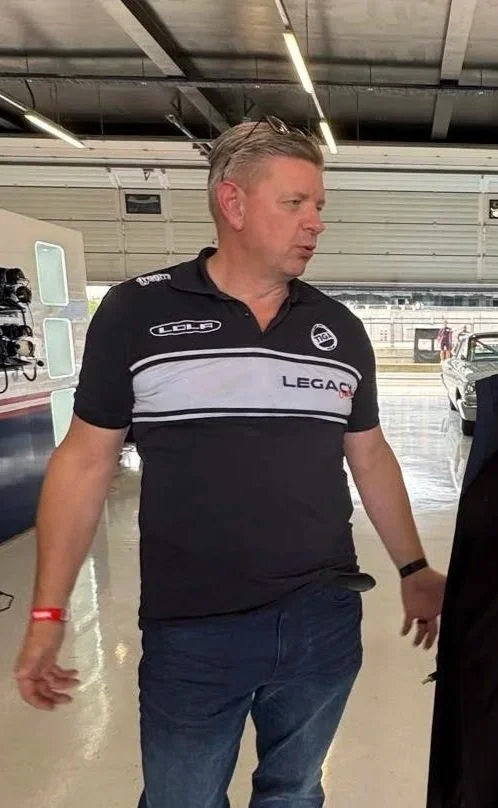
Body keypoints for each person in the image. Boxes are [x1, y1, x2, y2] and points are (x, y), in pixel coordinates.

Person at [14, 119, 446, 808]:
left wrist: (414, 568)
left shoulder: (339, 331)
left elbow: (369, 454)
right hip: (195, 630)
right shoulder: (137, 312)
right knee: (182, 798)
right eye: (295, 203)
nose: (315, 223)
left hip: (322, 622)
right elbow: (86, 462)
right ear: (233, 202)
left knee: (296, 791)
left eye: (320, 207)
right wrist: (47, 613)